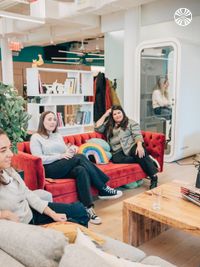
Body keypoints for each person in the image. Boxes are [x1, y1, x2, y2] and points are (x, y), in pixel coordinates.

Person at [30, 111, 122, 225]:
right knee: (80, 158)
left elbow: (65, 151)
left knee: (81, 170)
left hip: (62, 165)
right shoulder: (36, 137)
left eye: (54, 119)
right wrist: (60, 156)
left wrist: (71, 150)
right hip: (49, 168)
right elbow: (38, 158)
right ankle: (102, 188)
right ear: (42, 121)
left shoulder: (57, 135)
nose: (52, 122)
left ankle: (88, 209)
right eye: (49, 119)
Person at [0, 128, 89, 227]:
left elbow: (27, 193)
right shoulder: (36, 138)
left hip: (31, 211)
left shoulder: (8, 170)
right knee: (79, 159)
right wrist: (4, 214)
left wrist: (53, 214)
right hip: (26, 224)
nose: (11, 154)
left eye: (9, 148)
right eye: (3, 150)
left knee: (80, 209)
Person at [95, 105, 160, 189]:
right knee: (115, 160)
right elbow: (97, 128)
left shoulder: (130, 122)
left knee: (139, 153)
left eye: (119, 112)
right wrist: (105, 114)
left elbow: (137, 135)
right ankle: (149, 159)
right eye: (115, 114)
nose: (117, 115)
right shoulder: (109, 124)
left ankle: (154, 177)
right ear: (112, 116)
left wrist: (139, 146)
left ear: (123, 113)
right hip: (118, 150)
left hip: (132, 145)